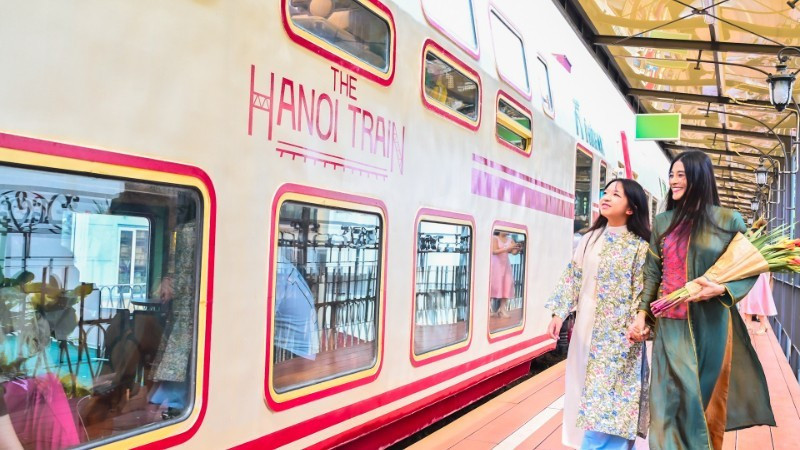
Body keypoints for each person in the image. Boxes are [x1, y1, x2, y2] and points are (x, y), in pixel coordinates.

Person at [628, 150, 775, 450]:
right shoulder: (663, 221)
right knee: (666, 406)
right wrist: (643, 313)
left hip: (710, 328)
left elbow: (750, 266)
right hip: (670, 328)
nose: (674, 181)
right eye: (672, 175)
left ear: (699, 177)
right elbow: (652, 273)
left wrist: (720, 289)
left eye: (681, 175)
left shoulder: (728, 220)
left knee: (699, 403)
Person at [546, 179, 651, 449]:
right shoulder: (590, 238)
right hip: (585, 330)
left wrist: (639, 326)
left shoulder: (640, 245)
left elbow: (641, 292)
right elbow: (573, 275)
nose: (606, 197)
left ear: (631, 209)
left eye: (616, 195)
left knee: (610, 401)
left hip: (620, 338)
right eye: (606, 193)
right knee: (586, 392)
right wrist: (560, 311)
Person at [490, 231, 519, 318]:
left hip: (505, 265)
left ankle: (502, 309)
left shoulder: (510, 239)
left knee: (507, 284)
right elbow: (494, 251)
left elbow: (513, 252)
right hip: (495, 265)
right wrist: (507, 248)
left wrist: (517, 248)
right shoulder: (494, 238)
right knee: (494, 285)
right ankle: (489, 308)